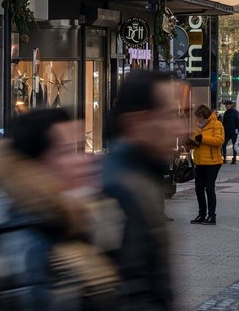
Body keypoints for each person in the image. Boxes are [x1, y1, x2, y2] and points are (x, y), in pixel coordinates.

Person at [0, 108, 123, 308]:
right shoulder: (29, 243)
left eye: (82, 149)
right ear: (36, 167)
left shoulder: (59, 220)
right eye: (69, 151)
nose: (85, 161)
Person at [103, 69, 180, 310]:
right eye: (168, 116)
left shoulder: (141, 178)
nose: (179, 128)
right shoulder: (118, 192)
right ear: (137, 121)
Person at [186, 104, 224, 225]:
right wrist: (190, 143)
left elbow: (219, 141)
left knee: (209, 188)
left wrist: (202, 138)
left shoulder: (216, 124)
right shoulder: (197, 127)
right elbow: (195, 140)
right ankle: (201, 214)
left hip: (213, 162)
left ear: (205, 116)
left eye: (199, 117)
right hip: (200, 161)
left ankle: (212, 216)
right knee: (199, 189)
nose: (197, 120)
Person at [222, 99, 239, 163]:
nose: (227, 106)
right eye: (226, 105)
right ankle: (224, 158)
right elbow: (224, 123)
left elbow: (238, 122)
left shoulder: (235, 112)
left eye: (228, 105)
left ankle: (234, 158)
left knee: (234, 145)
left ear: (231, 105)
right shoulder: (226, 113)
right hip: (227, 131)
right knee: (224, 145)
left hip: (233, 131)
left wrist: (238, 131)